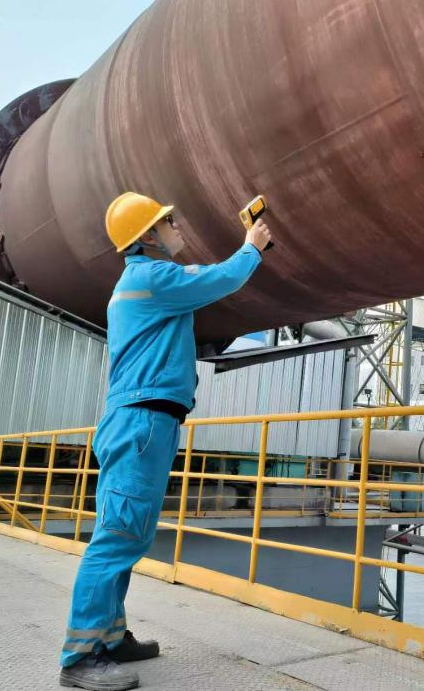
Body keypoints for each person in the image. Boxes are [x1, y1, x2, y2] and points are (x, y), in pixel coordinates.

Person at [59, 191, 272, 691]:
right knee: (117, 538)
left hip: (145, 423)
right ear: (147, 237)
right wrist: (252, 246)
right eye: (167, 222)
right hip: (142, 424)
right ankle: (79, 658)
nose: (176, 227)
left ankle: (110, 638)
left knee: (128, 535)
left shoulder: (144, 284)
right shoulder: (152, 278)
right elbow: (219, 278)